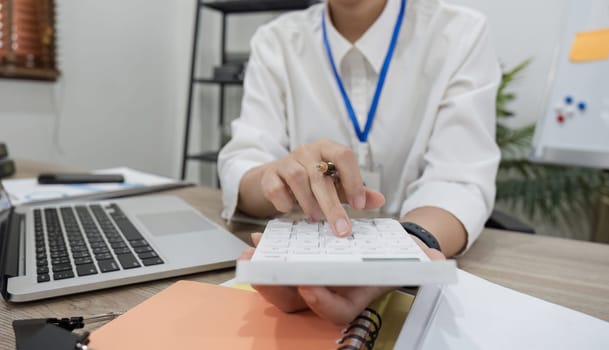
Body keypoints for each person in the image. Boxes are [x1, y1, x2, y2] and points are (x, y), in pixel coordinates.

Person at [218, 0, 500, 324]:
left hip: (413, 282)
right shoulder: (276, 40)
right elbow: (243, 163)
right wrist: (275, 177)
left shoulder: (459, 33)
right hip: (308, 252)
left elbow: (459, 176)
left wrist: (404, 250)